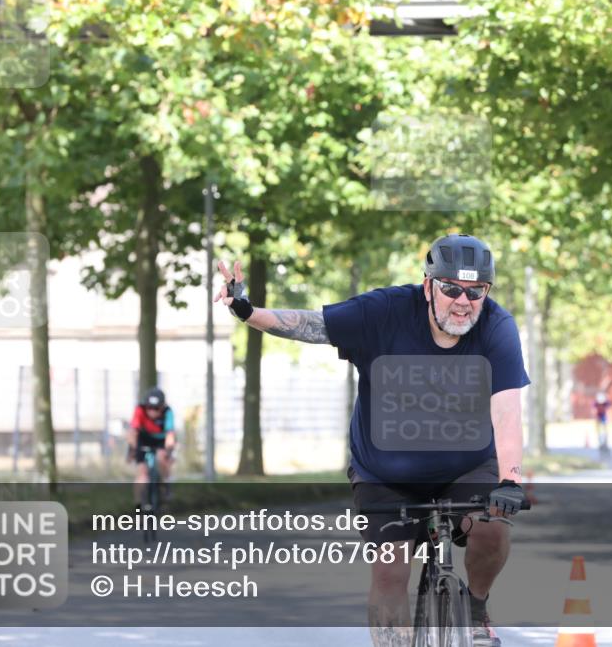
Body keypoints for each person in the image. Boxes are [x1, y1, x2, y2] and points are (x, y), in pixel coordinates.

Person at [214, 234, 529, 647]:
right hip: (385, 472)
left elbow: (505, 409)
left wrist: (510, 479)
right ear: (428, 285)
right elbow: (311, 325)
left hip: (466, 465)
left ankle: (475, 608)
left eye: (475, 292)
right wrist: (244, 308)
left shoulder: (497, 326)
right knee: (390, 569)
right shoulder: (384, 312)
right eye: (451, 288)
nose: (463, 301)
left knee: (493, 528)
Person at [127, 387, 177, 508]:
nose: (153, 412)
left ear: (162, 406)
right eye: (150, 408)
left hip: (161, 440)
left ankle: (165, 483)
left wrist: (168, 452)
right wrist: (132, 450)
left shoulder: (168, 412)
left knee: (161, 459)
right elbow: (133, 431)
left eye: (156, 409)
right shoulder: (139, 410)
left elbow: (170, 434)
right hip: (143, 439)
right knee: (142, 474)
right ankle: (139, 504)